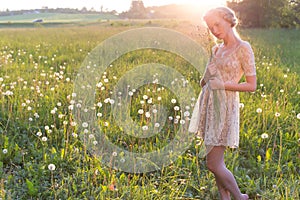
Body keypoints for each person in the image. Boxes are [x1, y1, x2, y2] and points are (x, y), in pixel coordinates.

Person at [188, 6, 257, 200]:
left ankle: (239, 197)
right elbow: (206, 79)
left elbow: (251, 85)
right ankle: (224, 198)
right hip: (208, 104)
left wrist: (223, 84)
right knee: (217, 162)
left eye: (217, 24)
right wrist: (206, 75)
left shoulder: (243, 48)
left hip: (225, 107)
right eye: (210, 27)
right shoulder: (216, 49)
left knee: (213, 163)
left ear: (229, 20)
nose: (214, 30)